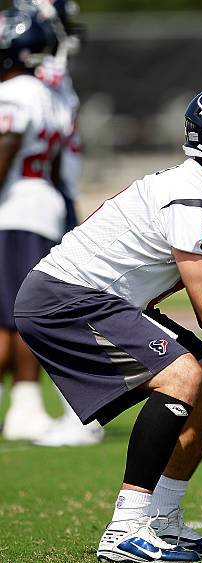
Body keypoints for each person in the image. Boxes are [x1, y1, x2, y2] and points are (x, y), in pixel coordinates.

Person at [14, 83, 202, 563]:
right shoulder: (191, 199)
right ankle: (125, 527)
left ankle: (162, 519)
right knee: (182, 375)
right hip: (66, 299)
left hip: (104, 300)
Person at [13, 0, 104, 447]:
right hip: (49, 198)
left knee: (40, 307)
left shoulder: (30, 86)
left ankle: (73, 409)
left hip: (36, 201)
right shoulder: (43, 84)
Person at [0, 9, 72, 441]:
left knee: (18, 313)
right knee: (16, 312)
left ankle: (24, 405)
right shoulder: (47, 93)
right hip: (41, 202)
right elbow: (59, 160)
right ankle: (24, 404)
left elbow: (5, 149)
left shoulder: (13, 95)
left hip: (15, 210)